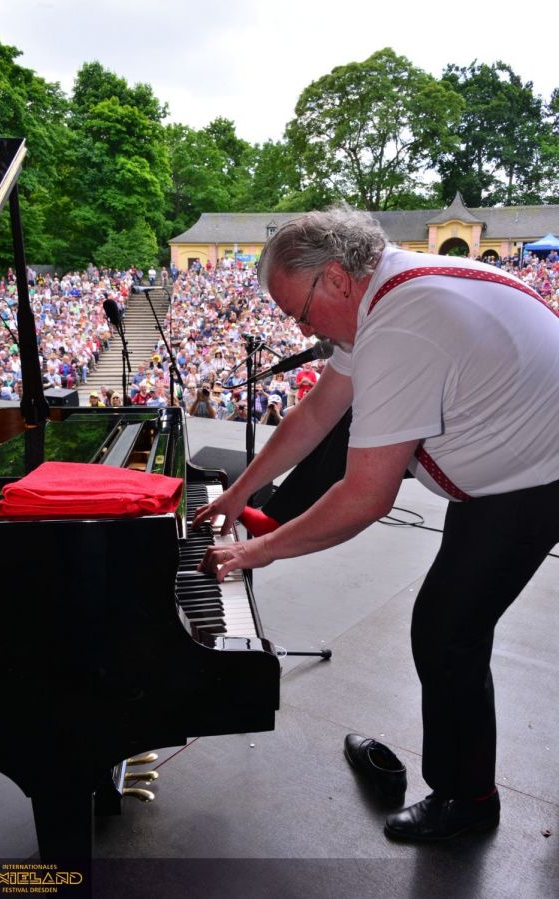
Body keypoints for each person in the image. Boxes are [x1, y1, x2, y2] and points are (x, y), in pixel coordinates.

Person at [193, 206, 559, 843]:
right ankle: (467, 788)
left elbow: (366, 497)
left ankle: (468, 803)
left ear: (335, 278)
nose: (299, 326)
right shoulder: (386, 291)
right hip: (523, 465)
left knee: (448, 632)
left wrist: (260, 551)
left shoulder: (402, 325)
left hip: (537, 477)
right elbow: (316, 415)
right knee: (450, 627)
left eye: (299, 313)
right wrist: (240, 493)